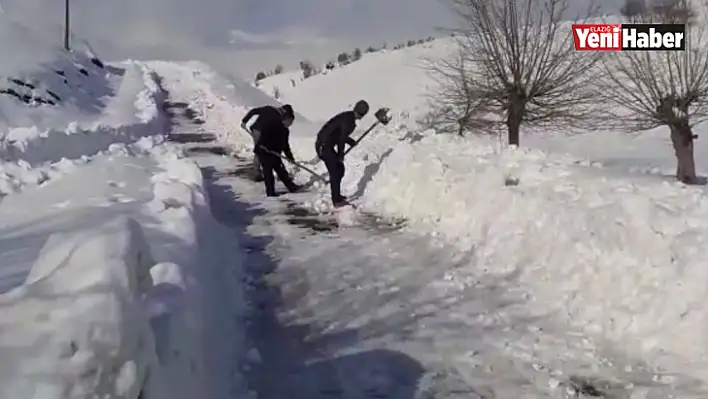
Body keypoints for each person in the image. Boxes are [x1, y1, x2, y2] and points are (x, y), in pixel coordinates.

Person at [315, 100, 369, 207]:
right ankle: (336, 200)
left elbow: (340, 133)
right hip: (324, 146)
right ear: (362, 114)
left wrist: (351, 142)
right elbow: (341, 139)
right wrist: (340, 154)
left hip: (325, 145)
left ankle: (337, 195)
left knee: (339, 169)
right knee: (335, 171)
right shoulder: (349, 121)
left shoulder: (348, 117)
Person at [242, 104, 301, 197]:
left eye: (291, 123)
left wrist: (290, 158)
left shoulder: (285, 131)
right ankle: (270, 192)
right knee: (268, 171)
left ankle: (291, 186)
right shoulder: (273, 125)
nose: (290, 124)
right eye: (289, 121)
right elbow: (263, 137)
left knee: (280, 169)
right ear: (285, 118)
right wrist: (262, 147)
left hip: (274, 152)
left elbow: (285, 146)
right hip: (264, 151)